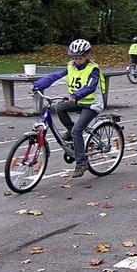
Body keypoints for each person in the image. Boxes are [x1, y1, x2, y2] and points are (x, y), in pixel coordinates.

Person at [32, 39, 105, 178]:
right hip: (77, 100)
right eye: (74, 58)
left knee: (78, 131)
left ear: (87, 56)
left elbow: (90, 86)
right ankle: (70, 130)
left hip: (92, 103)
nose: (77, 60)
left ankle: (81, 163)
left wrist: (76, 95)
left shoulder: (93, 69)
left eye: (80, 57)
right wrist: (37, 85)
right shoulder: (71, 67)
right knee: (60, 107)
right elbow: (55, 77)